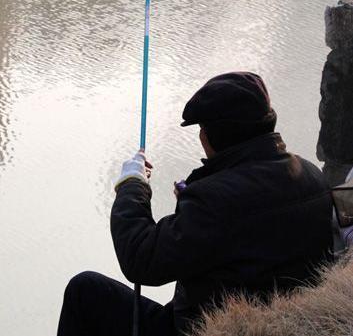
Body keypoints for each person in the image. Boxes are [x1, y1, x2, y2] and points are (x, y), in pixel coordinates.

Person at [57, 72, 333, 336]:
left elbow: (141, 259)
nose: (201, 136)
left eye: (202, 128)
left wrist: (132, 186)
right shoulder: (312, 176)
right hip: (282, 321)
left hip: (208, 328)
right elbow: (252, 228)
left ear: (215, 135)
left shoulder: (214, 201)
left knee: (85, 291)